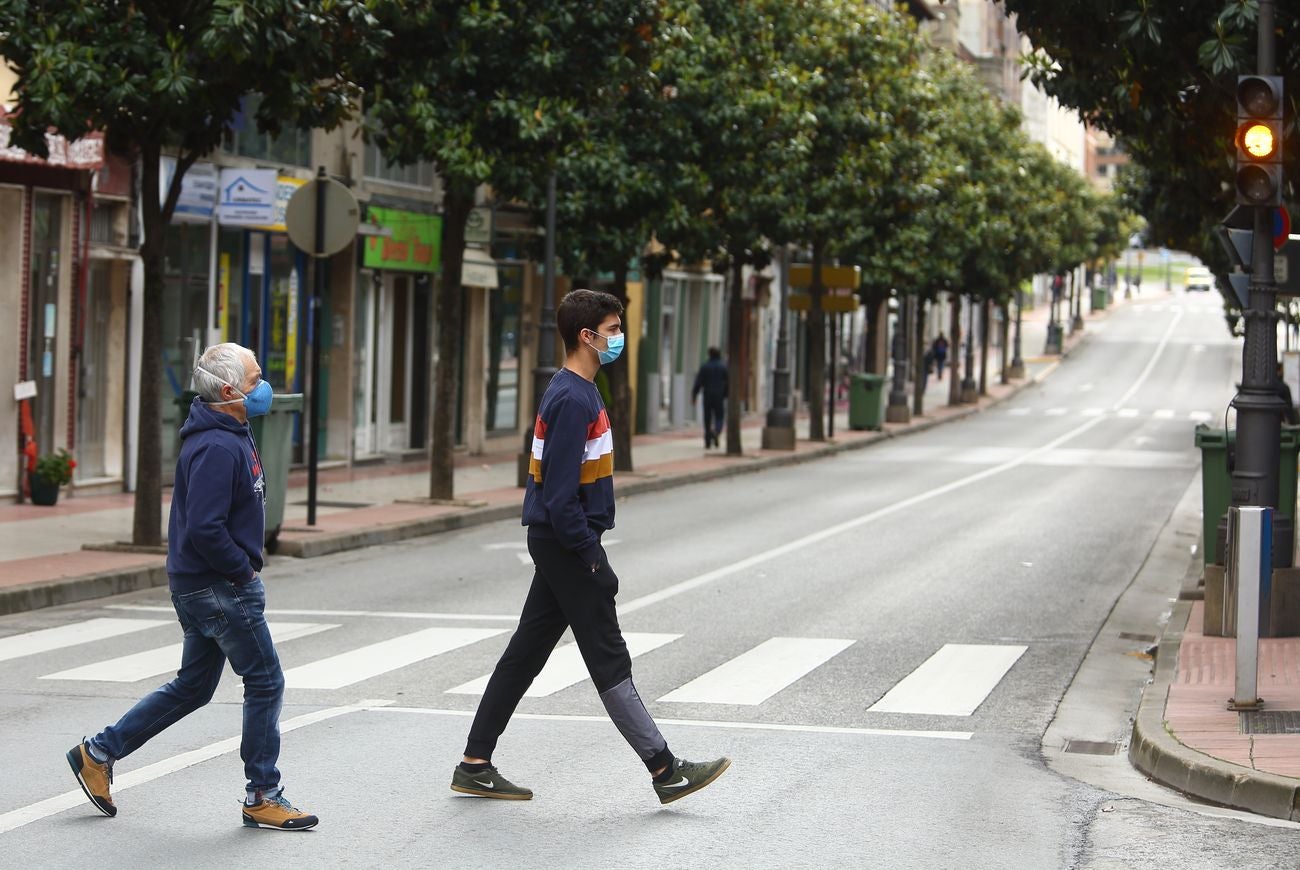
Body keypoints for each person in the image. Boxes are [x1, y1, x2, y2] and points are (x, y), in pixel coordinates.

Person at [453, 289, 730, 805]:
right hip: (565, 542)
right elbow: (559, 499)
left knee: (526, 653)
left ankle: (474, 762)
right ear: (587, 336)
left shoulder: (577, 390)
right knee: (608, 656)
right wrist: (591, 557)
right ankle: (665, 768)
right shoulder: (572, 397)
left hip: (561, 541)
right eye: (614, 328)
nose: (619, 336)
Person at [65, 343, 317, 831]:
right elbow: (205, 527)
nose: (263, 387)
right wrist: (242, 571)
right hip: (218, 587)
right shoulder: (217, 446)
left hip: (203, 585)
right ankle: (263, 794)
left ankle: (98, 753)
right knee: (266, 682)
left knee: (194, 687)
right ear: (228, 390)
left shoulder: (227, 432)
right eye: (255, 378)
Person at [692, 347, 728, 449]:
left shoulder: (704, 367)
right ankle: (716, 431)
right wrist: (725, 394)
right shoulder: (723, 367)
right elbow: (728, 382)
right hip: (719, 396)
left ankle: (707, 440)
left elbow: (698, 382)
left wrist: (694, 395)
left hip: (707, 395)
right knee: (719, 416)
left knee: (707, 418)